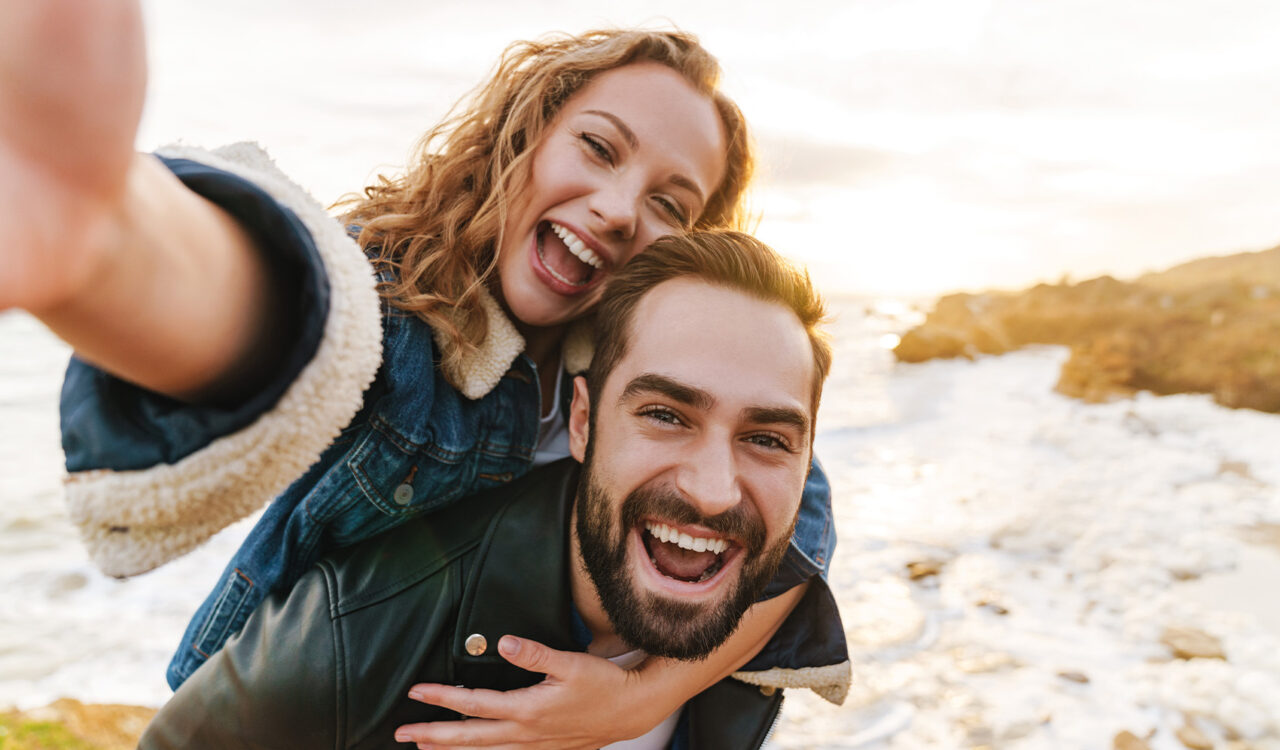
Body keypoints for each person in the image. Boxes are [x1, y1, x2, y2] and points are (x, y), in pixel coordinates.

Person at [1, 2, 837, 745]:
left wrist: (635, 698)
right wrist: (112, 248)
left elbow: (798, 529)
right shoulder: (404, 301)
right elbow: (289, 312)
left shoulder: (669, 388)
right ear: (525, 135)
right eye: (597, 146)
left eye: (669, 203)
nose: (619, 210)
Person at [137, 231, 850, 750]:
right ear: (581, 421)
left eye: (767, 438)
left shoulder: (749, 599)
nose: (715, 491)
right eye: (665, 416)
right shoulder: (352, 634)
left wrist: (647, 698)